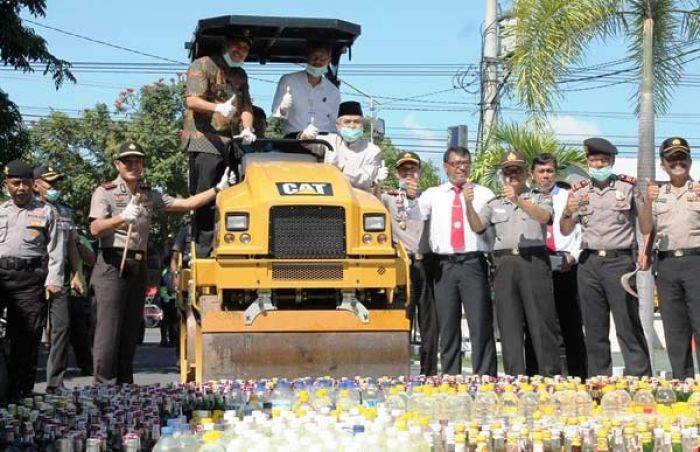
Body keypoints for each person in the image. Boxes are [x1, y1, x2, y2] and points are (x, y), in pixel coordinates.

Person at [88, 141, 236, 384]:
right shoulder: (105, 192)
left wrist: (217, 190)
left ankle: (125, 385)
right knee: (108, 330)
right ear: (118, 165)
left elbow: (185, 204)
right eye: (128, 162)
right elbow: (94, 228)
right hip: (113, 264)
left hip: (138, 265)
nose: (134, 166)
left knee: (130, 330)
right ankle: (103, 384)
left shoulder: (148, 195)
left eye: (138, 161)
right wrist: (120, 218)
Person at [561, 137, 652, 377]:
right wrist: (568, 211)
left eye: (603, 161)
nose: (599, 165)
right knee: (595, 329)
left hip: (619, 262)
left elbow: (645, 225)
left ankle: (640, 380)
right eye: (594, 161)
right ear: (588, 162)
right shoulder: (579, 190)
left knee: (627, 325)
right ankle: (599, 382)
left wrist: (647, 204)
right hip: (589, 263)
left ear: (612, 162)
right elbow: (565, 229)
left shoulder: (627, 187)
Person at [465, 151, 562, 376]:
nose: (513, 176)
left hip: (533, 261)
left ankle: (548, 377)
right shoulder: (494, 203)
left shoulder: (539, 196)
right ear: (502, 175)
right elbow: (478, 226)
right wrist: (468, 204)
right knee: (509, 325)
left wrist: (517, 200)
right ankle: (514, 378)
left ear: (526, 173)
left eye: (517, 170)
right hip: (505, 264)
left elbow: (544, 217)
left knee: (541, 323)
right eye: (508, 172)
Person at [417, 146, 497, 376]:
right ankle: (451, 378)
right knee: (448, 326)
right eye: (456, 163)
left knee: (480, 324)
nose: (461, 167)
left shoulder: (484, 193)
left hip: (473, 262)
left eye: (465, 163)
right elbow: (414, 215)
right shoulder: (433, 194)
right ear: (446, 166)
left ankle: (485, 378)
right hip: (445, 265)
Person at [182, 33, 255, 257]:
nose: (240, 51)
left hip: (231, 144)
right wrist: (217, 108)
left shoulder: (240, 74)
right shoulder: (203, 64)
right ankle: (204, 252)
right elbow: (191, 100)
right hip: (205, 141)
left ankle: (236, 249)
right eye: (236, 45)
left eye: (245, 48)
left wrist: (247, 129)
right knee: (206, 198)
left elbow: (246, 107)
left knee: (238, 195)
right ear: (226, 44)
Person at [0, 160, 63, 399]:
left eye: (26, 183)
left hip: (30, 280)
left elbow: (56, 249)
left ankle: (21, 394)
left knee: (25, 339)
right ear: (7, 185)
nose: (21, 188)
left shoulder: (47, 211)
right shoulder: (1, 210)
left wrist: (54, 280)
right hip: (1, 276)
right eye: (15, 183)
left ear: (33, 185)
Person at [639, 137, 700, 379]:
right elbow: (645, 228)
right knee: (675, 329)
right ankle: (681, 382)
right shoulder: (658, 193)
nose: (677, 162)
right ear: (663, 164)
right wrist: (648, 201)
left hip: (696, 262)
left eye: (681, 157)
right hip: (666, 264)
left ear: (690, 161)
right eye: (671, 158)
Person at [32, 165, 92, 391]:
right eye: (50, 182)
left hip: (60, 277)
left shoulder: (65, 210)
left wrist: (77, 273)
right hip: (34, 275)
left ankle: (55, 383)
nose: (54, 187)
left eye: (57, 182)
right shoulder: (29, 208)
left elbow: (72, 244)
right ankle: (23, 381)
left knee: (62, 329)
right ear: (36, 185)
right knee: (32, 328)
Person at [379, 152, 438, 375]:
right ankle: (398, 374)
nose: (409, 174)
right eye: (404, 170)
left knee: (430, 325)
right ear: (397, 173)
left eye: (413, 170)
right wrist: (377, 182)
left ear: (420, 172)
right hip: (403, 264)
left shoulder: (428, 199)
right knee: (402, 321)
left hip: (428, 262)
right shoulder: (388, 198)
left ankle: (429, 373)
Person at [530, 154, 587, 378]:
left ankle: (578, 378)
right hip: (536, 269)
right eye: (541, 171)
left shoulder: (569, 197)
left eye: (549, 171)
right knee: (537, 327)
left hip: (566, 267)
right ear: (532, 175)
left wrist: (573, 256)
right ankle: (537, 378)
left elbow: (583, 231)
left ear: (556, 173)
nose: (545, 176)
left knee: (571, 327)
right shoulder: (525, 199)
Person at [304, 101, 386, 192]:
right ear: (338, 126)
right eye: (347, 122)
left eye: (357, 122)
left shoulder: (373, 150)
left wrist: (341, 167)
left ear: (362, 126)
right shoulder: (330, 141)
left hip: (358, 198)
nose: (352, 126)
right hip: (329, 195)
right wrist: (305, 136)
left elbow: (366, 180)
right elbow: (307, 144)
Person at [271, 41, 340, 137]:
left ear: (329, 60)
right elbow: (277, 114)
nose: (318, 61)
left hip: (323, 140)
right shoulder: (289, 80)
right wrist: (283, 108)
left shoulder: (333, 90)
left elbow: (334, 122)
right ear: (306, 58)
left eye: (322, 58)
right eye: (314, 57)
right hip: (294, 139)